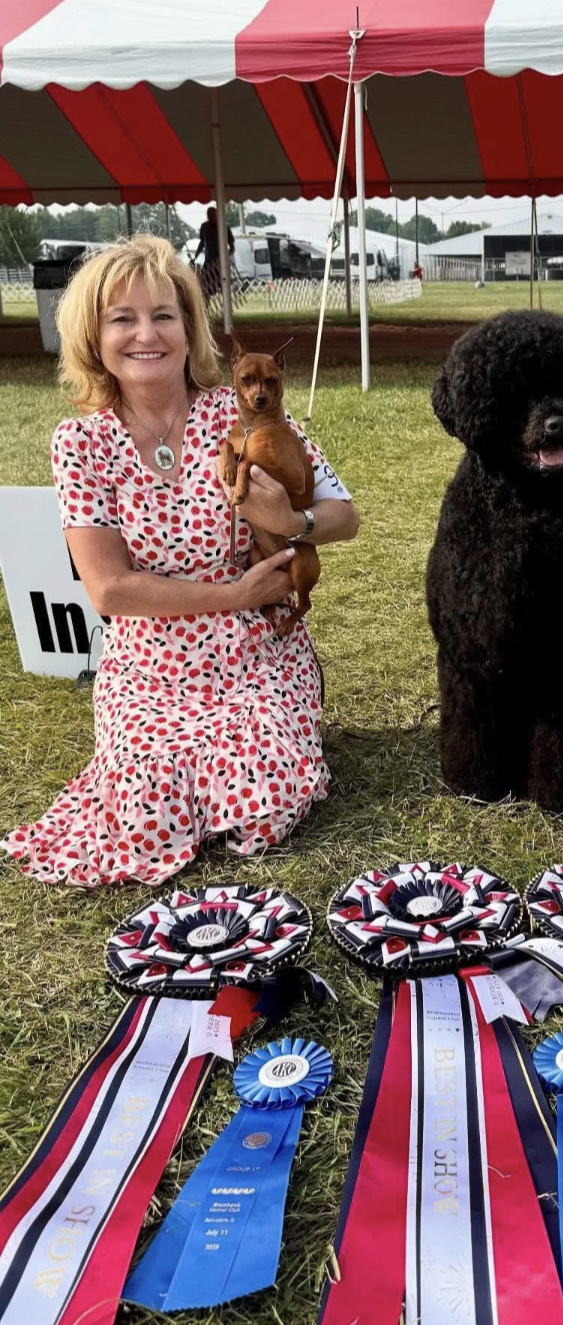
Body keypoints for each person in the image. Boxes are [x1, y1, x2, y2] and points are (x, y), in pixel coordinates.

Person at [2, 236, 358, 886]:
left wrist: (293, 522)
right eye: (123, 318)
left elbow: (344, 514)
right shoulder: (80, 443)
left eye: (163, 315)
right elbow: (110, 590)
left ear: (188, 327)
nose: (147, 334)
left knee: (268, 798)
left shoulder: (239, 413)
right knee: (145, 814)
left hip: (254, 652)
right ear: (93, 336)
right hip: (149, 666)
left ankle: (255, 756)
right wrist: (234, 594)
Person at [194, 204, 234, 298]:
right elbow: (202, 243)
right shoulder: (204, 227)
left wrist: (225, 257)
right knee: (204, 287)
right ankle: (206, 304)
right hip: (208, 263)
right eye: (209, 215)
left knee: (224, 285)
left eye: (213, 215)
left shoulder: (224, 227)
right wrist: (196, 255)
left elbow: (232, 247)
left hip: (221, 264)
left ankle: (226, 303)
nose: (211, 217)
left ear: (217, 215)